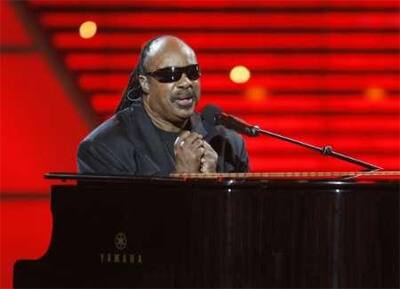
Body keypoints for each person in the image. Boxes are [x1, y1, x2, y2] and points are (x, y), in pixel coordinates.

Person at [77, 35, 249, 176]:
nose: (186, 83)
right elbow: (117, 217)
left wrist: (215, 184)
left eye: (192, 72)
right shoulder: (104, 147)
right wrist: (182, 178)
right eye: (170, 75)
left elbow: (246, 215)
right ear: (144, 83)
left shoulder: (228, 144)